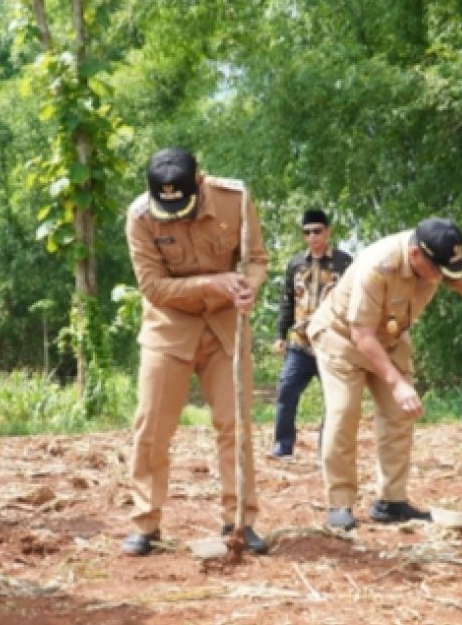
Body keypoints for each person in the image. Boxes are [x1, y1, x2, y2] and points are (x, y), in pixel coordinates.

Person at [307, 217, 462, 530]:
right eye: (436, 270)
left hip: (389, 340)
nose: (441, 277)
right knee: (343, 414)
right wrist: (397, 384)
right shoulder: (378, 266)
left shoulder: (443, 255)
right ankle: (339, 503)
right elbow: (362, 334)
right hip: (342, 338)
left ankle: (391, 501)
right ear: (415, 256)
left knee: (399, 415)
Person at [121, 147, 269, 557]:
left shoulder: (235, 199)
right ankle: (145, 522)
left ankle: (239, 520)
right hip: (169, 328)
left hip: (225, 327)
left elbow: (256, 259)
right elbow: (152, 287)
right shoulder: (140, 217)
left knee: (234, 424)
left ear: (200, 182)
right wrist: (211, 283)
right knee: (151, 428)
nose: (176, 214)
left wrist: (248, 287)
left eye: (182, 203)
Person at [270, 209, 353, 458]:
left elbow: (354, 302)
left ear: (328, 231)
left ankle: (326, 449)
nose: (312, 237)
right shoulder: (296, 264)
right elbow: (287, 301)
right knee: (286, 391)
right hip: (300, 343)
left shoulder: (345, 263)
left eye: (317, 231)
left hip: (332, 343)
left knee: (334, 400)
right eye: (307, 232)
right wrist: (279, 335)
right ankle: (283, 445)